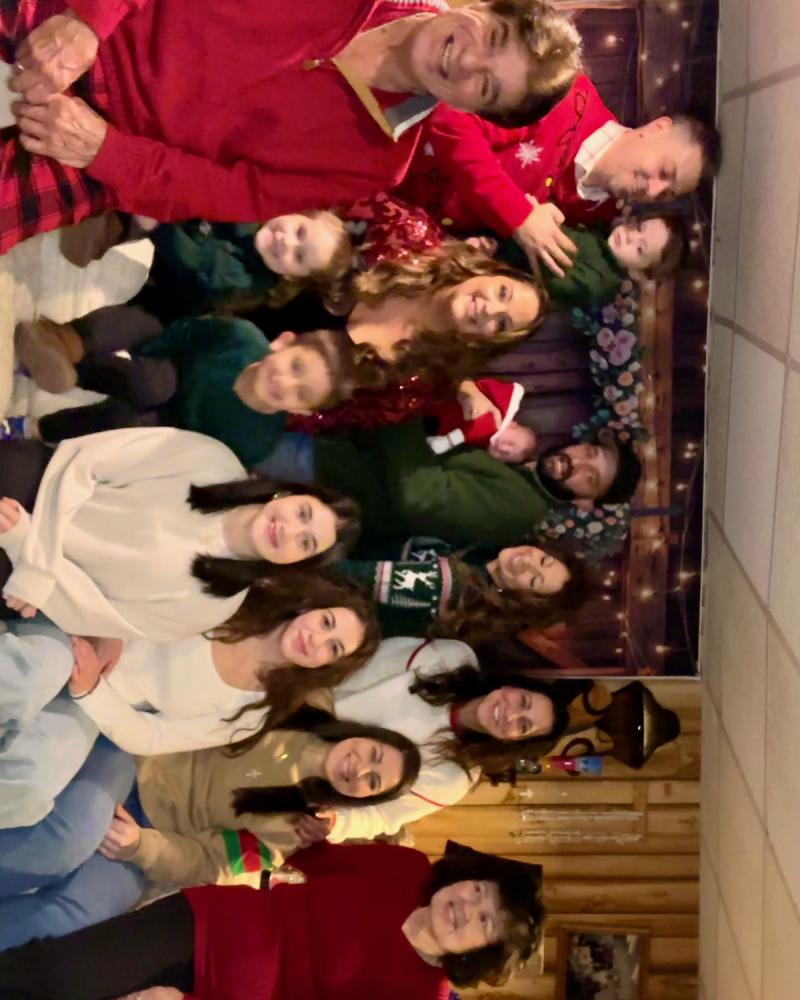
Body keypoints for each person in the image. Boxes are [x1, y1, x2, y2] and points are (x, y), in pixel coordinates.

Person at [1, 0, 582, 254]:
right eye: (493, 38)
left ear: (476, 112)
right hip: (108, 20)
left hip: (119, 145)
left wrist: (107, 152)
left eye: (488, 86)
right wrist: (89, 21)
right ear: (486, 6)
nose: (469, 61)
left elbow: (228, 192)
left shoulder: (378, 162)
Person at [0, 709, 421, 950]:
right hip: (134, 760)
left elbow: (210, 862)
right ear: (365, 734)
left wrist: (141, 847)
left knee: (75, 918)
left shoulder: (291, 831)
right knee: (67, 839)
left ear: (362, 799)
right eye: (372, 754)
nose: (359, 769)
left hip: (149, 834)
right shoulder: (297, 705)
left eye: (372, 782)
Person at [0, 576, 381, 828]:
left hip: (96, 701)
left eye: (333, 648)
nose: (316, 639)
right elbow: (134, 580)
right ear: (312, 606)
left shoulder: (255, 713)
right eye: (326, 622)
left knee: (34, 784)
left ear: (327, 667)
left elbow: (152, 737)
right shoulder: (235, 593)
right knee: (34, 677)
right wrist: (110, 629)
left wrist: (91, 690)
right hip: (81, 628)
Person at [0, 839, 546, 999]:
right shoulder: (404, 866)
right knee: (57, 975)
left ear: (476, 954)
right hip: (207, 925)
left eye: (484, 923)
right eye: (478, 890)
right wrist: (310, 828)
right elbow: (313, 856)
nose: (466, 907)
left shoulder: (420, 994)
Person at [0, 426, 361, 639]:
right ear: (290, 493)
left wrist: (22, 547)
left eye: (305, 543)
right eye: (302, 513)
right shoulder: (213, 460)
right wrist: (35, 553)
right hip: (41, 488)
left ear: (296, 564)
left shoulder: (215, 605)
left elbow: (96, 614)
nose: (289, 529)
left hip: (35, 584)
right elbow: (88, 460)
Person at [399, 73, 721, 275]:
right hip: (389, 148)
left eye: (666, 194)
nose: (652, 191)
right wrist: (518, 215)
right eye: (664, 171)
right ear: (657, 128)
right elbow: (454, 114)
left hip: (394, 230)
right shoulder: (565, 95)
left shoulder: (595, 219)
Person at [289, 638, 592, 845]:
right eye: (522, 701)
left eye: (523, 726)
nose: (511, 714)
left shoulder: (454, 778)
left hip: (301, 775)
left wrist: (336, 824)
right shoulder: (451, 659)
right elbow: (358, 665)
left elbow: (382, 815)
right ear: (512, 685)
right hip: (295, 697)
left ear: (514, 743)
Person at [6, 318, 359, 469]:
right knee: (150, 384)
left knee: (125, 423)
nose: (285, 383)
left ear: (302, 411)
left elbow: (202, 460)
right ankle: (66, 370)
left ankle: (37, 428)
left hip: (173, 428)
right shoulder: (241, 337)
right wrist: (146, 353)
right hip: (170, 372)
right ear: (285, 342)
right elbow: (187, 333)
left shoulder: (257, 442)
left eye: (300, 394)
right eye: (295, 366)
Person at [259, 419, 641, 548]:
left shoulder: (522, 507)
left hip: (324, 470)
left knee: (238, 442)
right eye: (589, 451)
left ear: (584, 502)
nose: (576, 463)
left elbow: (422, 496)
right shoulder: (519, 468)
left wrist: (404, 409)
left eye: (590, 477)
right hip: (335, 445)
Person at [337, 534, 585, 642]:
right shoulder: (481, 554)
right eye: (544, 560)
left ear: (520, 598)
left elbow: (353, 576)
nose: (527, 563)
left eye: (534, 581)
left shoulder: (453, 586)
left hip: (329, 590)